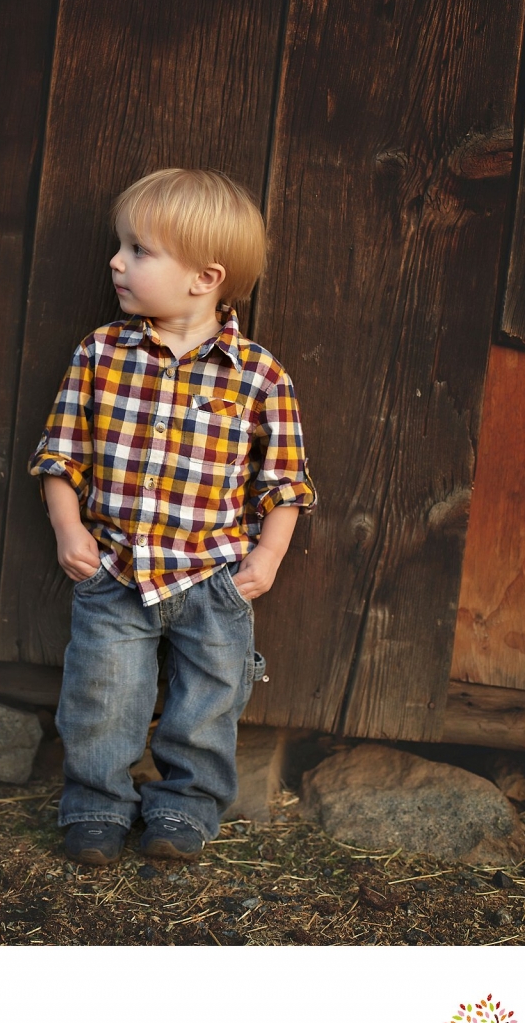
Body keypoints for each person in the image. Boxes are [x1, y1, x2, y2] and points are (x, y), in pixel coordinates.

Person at [28, 168, 316, 866]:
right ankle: (96, 808)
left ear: (204, 277)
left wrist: (266, 559)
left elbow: (284, 484)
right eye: (120, 246)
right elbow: (61, 457)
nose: (116, 262)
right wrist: (72, 531)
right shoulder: (101, 355)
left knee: (208, 705)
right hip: (117, 572)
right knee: (100, 698)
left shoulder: (259, 376)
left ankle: (183, 814)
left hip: (214, 581)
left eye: (138, 250)